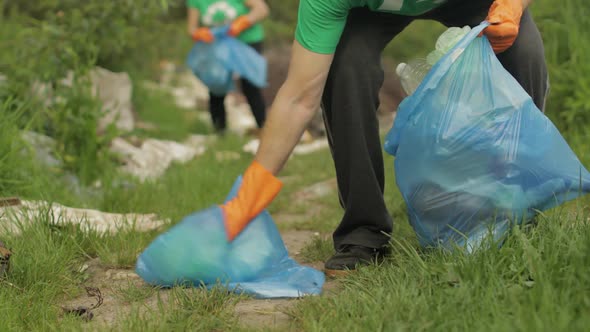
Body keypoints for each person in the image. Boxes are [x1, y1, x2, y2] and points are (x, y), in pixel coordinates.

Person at [216, 0, 548, 276]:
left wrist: (513, 4)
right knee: (345, 65)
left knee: (523, 50)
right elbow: (297, 99)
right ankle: (364, 229)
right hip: (376, 12)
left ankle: (517, 202)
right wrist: (249, 196)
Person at [187, 0, 270, 134]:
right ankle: (220, 132)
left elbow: (262, 9)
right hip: (218, 44)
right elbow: (191, 28)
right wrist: (198, 33)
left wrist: (243, 22)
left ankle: (264, 128)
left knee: (250, 85)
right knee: (216, 84)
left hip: (247, 41)